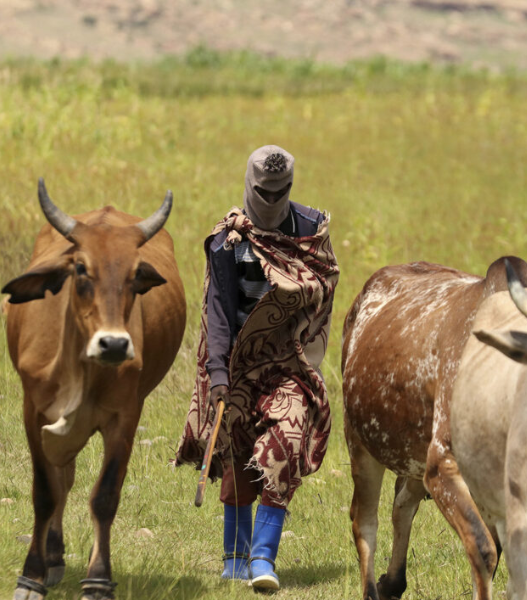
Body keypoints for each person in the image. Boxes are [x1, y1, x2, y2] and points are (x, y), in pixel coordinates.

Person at [176, 145, 339, 591]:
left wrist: (308, 352)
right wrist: (221, 378)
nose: (270, 201)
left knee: (284, 440)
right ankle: (235, 557)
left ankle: (264, 558)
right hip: (236, 365)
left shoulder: (308, 230)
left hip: (288, 362)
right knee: (236, 451)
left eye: (280, 192)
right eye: (263, 193)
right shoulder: (227, 242)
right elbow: (218, 314)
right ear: (248, 186)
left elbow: (325, 283)